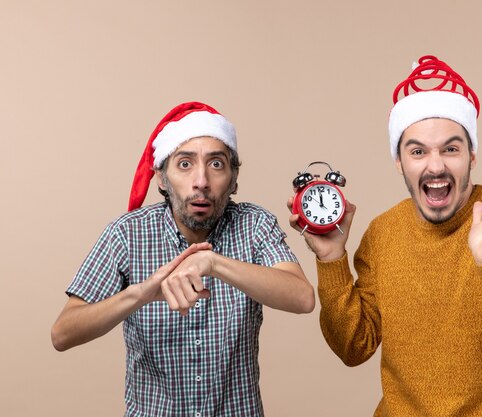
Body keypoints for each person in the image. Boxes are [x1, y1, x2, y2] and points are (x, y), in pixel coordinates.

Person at [288, 56, 482, 416]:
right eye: (418, 151)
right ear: (399, 162)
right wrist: (331, 260)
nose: (435, 166)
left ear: (472, 156)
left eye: (451, 149)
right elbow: (353, 348)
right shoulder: (382, 232)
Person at [52, 101, 315, 417]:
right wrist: (140, 294)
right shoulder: (127, 234)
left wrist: (214, 263)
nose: (201, 181)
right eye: (185, 164)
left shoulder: (254, 224)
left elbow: (302, 297)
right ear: (162, 178)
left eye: (216, 164)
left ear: (233, 179)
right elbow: (63, 333)